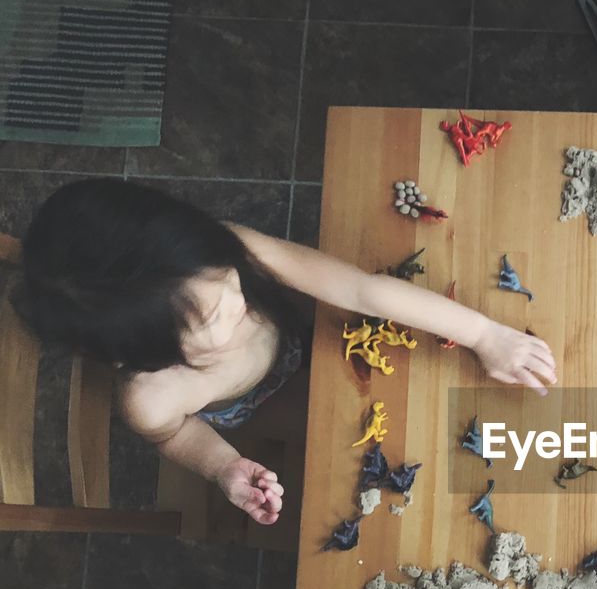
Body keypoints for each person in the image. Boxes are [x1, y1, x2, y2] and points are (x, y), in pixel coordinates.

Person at [11, 179, 556, 525]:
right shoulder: (149, 399)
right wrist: (223, 465)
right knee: (383, 446)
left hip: (308, 335)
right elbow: (175, 435)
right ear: (149, 355)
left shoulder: (224, 251)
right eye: (212, 317)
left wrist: (486, 335)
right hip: (261, 406)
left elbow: (361, 289)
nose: (236, 296)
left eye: (224, 275)